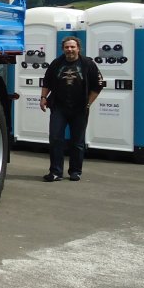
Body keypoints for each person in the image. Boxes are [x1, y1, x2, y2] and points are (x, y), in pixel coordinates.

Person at [39, 36, 104, 182]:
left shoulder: (87, 64)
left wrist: (88, 103)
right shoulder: (57, 63)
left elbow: (98, 85)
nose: (69, 50)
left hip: (79, 109)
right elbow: (47, 81)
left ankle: (75, 171)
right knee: (55, 139)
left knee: (77, 142)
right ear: (63, 49)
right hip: (59, 108)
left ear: (78, 48)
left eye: (72, 47)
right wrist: (43, 98)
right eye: (67, 47)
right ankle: (55, 172)